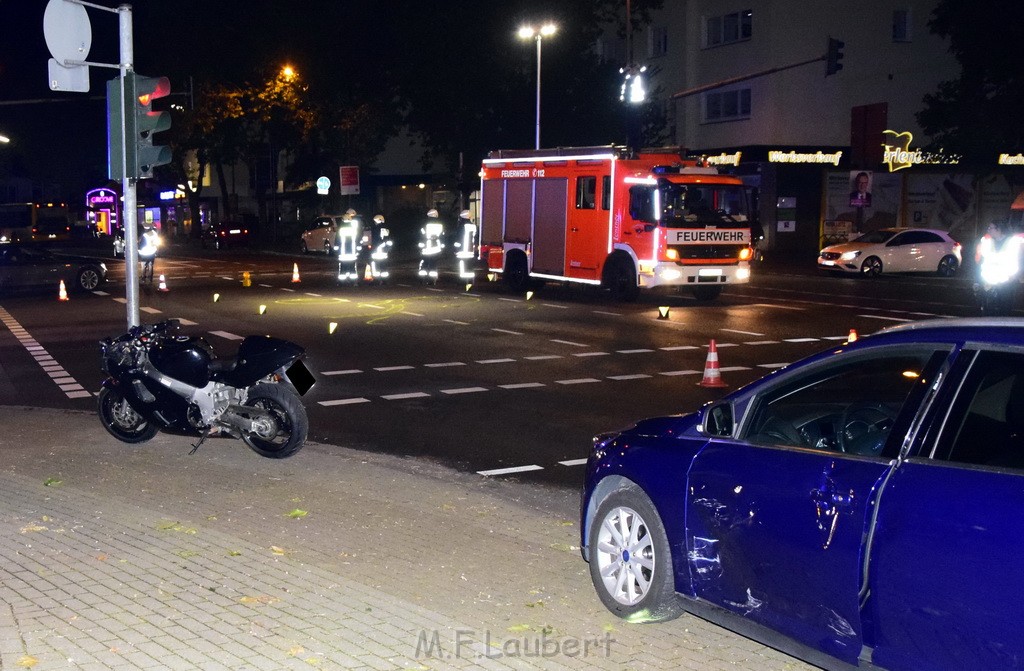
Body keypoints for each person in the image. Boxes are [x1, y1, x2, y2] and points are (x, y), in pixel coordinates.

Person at [975, 220, 1024, 314]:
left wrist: (1016, 277)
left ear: (999, 229)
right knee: (989, 310)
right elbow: (981, 262)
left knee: (1005, 309)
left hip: (1007, 283)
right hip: (989, 283)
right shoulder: (987, 242)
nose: (988, 230)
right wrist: (978, 280)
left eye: (991, 228)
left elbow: (1020, 260)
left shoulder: (1013, 242)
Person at [336, 209, 363, 283]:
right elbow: (357, 239)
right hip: (352, 253)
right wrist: (358, 248)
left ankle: (342, 282)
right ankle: (354, 282)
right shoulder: (353, 229)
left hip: (343, 254)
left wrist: (336, 249)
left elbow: (337, 240)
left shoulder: (341, 229)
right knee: (352, 268)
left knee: (343, 268)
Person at [418, 208, 445, 283]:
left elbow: (422, 235)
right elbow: (442, 236)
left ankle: (422, 279)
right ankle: (432, 280)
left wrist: (421, 246)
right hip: (436, 249)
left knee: (424, 262)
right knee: (433, 264)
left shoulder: (425, 224)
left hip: (426, 248)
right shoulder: (440, 225)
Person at [452, 210, 478, 280]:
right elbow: (475, 237)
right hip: (470, 250)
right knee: (470, 265)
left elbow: (458, 238)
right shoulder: (473, 226)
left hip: (462, 250)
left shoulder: (461, 226)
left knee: (462, 264)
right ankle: (470, 280)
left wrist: (455, 248)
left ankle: (463, 280)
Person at [367, 214, 393, 281]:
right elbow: (388, 240)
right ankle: (384, 280)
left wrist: (369, 249)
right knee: (383, 266)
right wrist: (387, 249)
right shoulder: (385, 229)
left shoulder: (372, 229)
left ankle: (376, 280)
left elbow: (368, 241)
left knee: (375, 266)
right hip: (383, 252)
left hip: (375, 252)